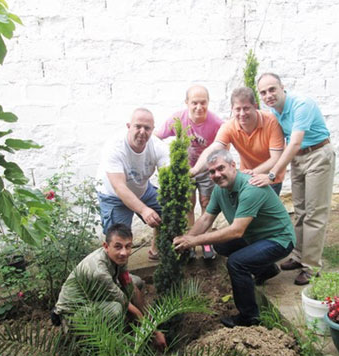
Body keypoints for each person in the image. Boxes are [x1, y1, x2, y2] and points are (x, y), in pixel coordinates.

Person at [173, 149, 295, 328]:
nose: (217, 174)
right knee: (221, 246)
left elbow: (236, 231)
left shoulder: (251, 188)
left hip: (278, 240)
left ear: (233, 166)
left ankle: (249, 318)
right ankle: (266, 270)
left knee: (237, 263)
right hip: (255, 237)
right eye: (212, 171)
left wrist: (194, 242)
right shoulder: (220, 190)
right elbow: (206, 218)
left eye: (221, 168)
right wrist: (185, 239)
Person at [251, 72, 336, 286]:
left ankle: (312, 266)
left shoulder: (301, 105)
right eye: (263, 92)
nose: (268, 95)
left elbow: (295, 142)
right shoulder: (274, 111)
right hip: (299, 159)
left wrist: (272, 174)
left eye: (272, 89)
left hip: (318, 155)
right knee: (300, 210)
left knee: (314, 214)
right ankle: (298, 256)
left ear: (282, 88)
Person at [54, 223, 166, 350]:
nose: (124, 252)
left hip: (94, 298)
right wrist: (154, 332)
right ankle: (102, 346)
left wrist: (151, 325)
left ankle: (133, 328)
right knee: (115, 309)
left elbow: (129, 285)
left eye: (128, 246)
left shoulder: (120, 257)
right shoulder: (98, 271)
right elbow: (125, 303)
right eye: (118, 247)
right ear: (106, 246)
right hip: (73, 314)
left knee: (137, 282)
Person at [155, 86, 223, 258]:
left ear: (208, 102)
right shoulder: (178, 118)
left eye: (203, 103)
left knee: (207, 204)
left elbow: (224, 145)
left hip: (207, 169)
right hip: (186, 171)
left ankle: (206, 242)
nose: (199, 107)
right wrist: (168, 161)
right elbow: (156, 137)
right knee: (188, 206)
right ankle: (190, 241)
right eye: (194, 103)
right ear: (187, 103)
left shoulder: (216, 122)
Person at [96, 108, 170, 261]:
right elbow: (120, 187)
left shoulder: (158, 147)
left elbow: (169, 178)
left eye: (147, 128)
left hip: (142, 189)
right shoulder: (115, 147)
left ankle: (156, 249)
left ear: (152, 130)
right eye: (138, 126)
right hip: (114, 196)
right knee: (118, 240)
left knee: (168, 211)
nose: (142, 132)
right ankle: (119, 275)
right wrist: (144, 210)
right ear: (129, 126)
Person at [189, 87, 285, 195]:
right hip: (248, 177)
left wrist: (253, 173)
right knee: (247, 209)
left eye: (246, 108)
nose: (242, 113)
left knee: (266, 210)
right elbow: (214, 148)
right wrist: (195, 170)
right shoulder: (229, 127)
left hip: (270, 176)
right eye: (238, 109)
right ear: (232, 109)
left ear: (255, 106)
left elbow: (276, 158)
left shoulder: (271, 122)